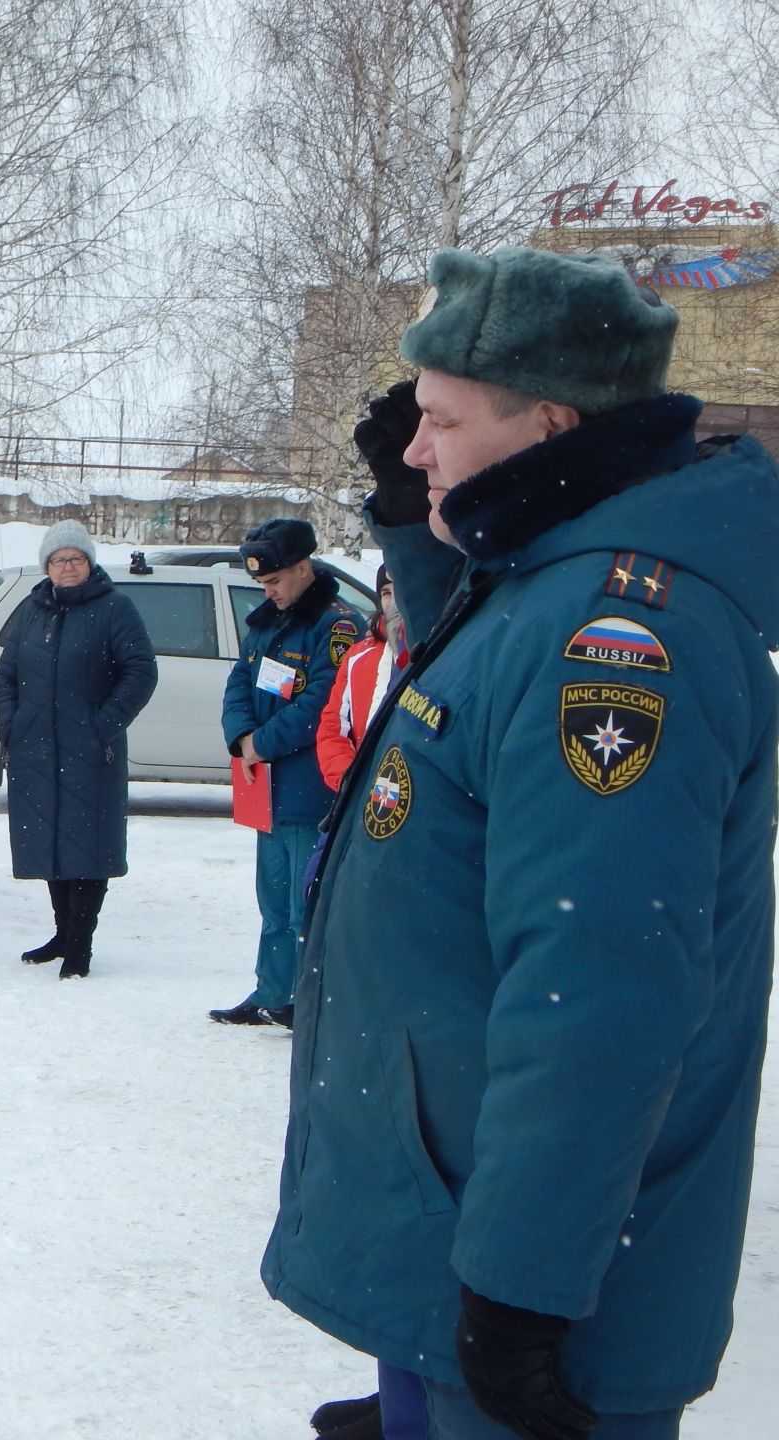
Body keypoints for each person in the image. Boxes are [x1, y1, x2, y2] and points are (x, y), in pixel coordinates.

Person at [262, 246, 779, 1439]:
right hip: (454, 1231)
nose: (414, 448)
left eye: (440, 422)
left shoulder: (618, 641)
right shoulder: (544, 583)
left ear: (548, 425)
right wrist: (417, 525)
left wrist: (520, 1294)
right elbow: (487, 670)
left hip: (524, 1284)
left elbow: (597, 987)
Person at [0, 519, 159, 979]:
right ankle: (63, 933)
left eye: (76, 558)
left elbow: (140, 672)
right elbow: (5, 675)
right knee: (48, 841)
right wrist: (11, 725)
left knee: (88, 844)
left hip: (91, 751)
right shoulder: (31, 610)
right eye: (59, 560)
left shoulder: (115, 609)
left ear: (89, 563)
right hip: (36, 749)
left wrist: (102, 725)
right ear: (47, 566)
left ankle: (81, 944)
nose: (68, 567)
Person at [212, 517, 362, 1027]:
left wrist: (262, 744)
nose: (267, 590)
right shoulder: (269, 620)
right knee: (273, 903)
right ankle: (271, 990)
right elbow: (239, 679)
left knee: (304, 908)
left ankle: (306, 1002)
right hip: (266, 789)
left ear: (304, 568)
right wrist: (241, 738)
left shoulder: (337, 626)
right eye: (262, 582)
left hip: (307, 787)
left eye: (275, 580)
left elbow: (324, 702)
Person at [314, 564, 406, 793]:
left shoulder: (442, 653)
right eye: (386, 593)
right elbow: (333, 727)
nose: (393, 601)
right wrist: (350, 783)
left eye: (401, 589)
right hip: (365, 800)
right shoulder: (359, 656)